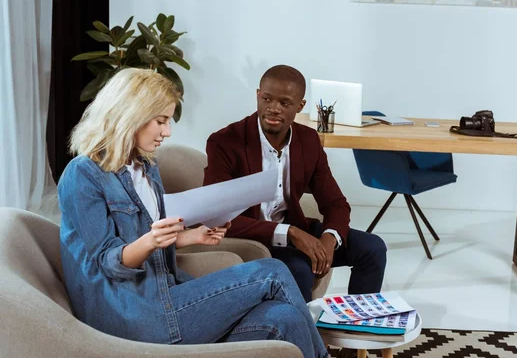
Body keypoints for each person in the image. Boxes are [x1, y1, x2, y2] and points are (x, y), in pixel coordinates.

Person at [58, 68, 328, 358]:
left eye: (169, 121)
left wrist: (189, 237)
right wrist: (151, 240)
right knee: (273, 271)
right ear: (130, 115)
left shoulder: (145, 167)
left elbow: (147, 240)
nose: (167, 132)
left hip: (169, 296)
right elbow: (109, 261)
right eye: (160, 121)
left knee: (282, 319)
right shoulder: (83, 174)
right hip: (134, 316)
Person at [204, 65, 387, 302]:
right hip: (252, 238)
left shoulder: (308, 140)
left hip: (295, 230)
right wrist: (290, 233)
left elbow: (335, 203)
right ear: (258, 94)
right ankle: (300, 338)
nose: (273, 108)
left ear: (300, 106)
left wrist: (329, 240)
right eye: (267, 98)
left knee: (372, 248)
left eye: (284, 103)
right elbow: (217, 216)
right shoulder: (225, 142)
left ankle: (361, 329)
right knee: (299, 269)